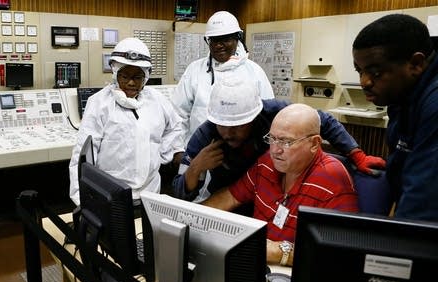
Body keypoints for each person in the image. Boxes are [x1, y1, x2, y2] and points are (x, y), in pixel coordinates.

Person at [172, 78, 385, 203]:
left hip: (274, 195)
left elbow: (324, 120)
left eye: (237, 126)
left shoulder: (273, 112)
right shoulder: (205, 135)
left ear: (254, 117)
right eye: (222, 125)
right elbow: (180, 193)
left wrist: (356, 154)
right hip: (231, 196)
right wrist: (196, 168)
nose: (228, 133)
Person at [202, 103, 359, 266]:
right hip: (256, 263)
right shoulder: (267, 162)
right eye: (272, 139)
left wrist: (279, 252)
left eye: (286, 142)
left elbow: (343, 254)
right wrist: (192, 217)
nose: (275, 150)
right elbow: (230, 197)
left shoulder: (333, 179)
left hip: (295, 275)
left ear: (314, 144)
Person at [68, 37, 184, 205]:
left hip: (149, 192)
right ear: (115, 73)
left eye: (137, 77)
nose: (131, 82)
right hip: (111, 194)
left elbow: (174, 128)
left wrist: (163, 153)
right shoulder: (99, 103)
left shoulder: (158, 101)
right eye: (125, 76)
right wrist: (82, 201)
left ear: (146, 77)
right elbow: (82, 155)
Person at [352, 14, 438, 221]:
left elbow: (422, 203)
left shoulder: (434, 103)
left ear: (416, 64)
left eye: (376, 73)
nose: (364, 82)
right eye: (359, 71)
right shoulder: (402, 95)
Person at [172, 10, 274, 145]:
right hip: (202, 150)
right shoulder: (195, 70)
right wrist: (178, 149)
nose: (219, 45)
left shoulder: (254, 71)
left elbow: (267, 115)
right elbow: (178, 114)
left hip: (244, 153)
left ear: (237, 39)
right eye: (214, 40)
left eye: (225, 39)